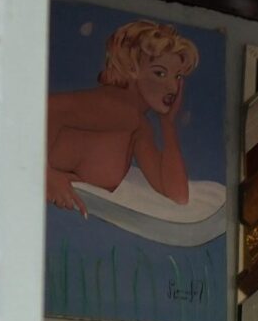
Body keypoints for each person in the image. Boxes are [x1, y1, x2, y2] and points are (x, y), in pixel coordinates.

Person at [45, 19, 200, 216]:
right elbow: (42, 109)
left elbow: (177, 197)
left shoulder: (138, 126)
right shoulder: (110, 106)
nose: (172, 87)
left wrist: (168, 125)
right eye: (160, 73)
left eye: (177, 76)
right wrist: (45, 174)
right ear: (131, 69)